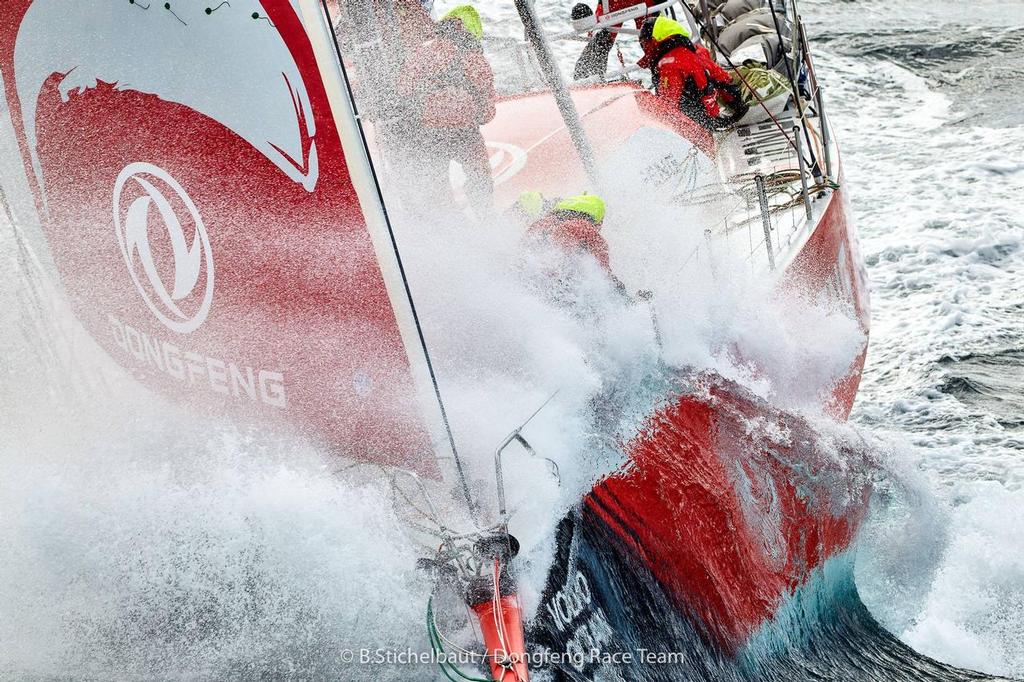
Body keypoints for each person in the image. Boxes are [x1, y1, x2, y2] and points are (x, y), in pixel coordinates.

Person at [395, 5, 497, 213]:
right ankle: (485, 214)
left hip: (427, 133)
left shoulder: (421, 53)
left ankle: (449, 224)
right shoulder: (475, 60)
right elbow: (487, 113)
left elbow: (403, 90)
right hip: (465, 133)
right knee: (480, 176)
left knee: (437, 185)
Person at [638, 16, 748, 130]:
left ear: (655, 40)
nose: (644, 47)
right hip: (713, 116)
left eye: (644, 43)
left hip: (698, 126)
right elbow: (723, 80)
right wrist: (738, 106)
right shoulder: (698, 51)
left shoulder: (669, 65)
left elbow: (668, 106)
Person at [525, 193, 626, 294]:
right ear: (598, 221)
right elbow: (604, 274)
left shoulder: (543, 223)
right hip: (559, 266)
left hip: (535, 268)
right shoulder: (585, 228)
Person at [571, 0, 661, 80]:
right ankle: (586, 84)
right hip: (613, 4)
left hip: (645, 4)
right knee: (601, 42)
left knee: (657, 45)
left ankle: (666, 84)